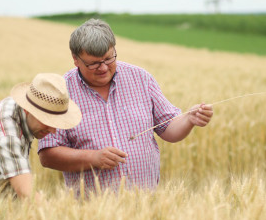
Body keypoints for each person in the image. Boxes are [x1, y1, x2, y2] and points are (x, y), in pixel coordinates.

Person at [38, 19, 213, 196]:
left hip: (146, 203)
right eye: (94, 63)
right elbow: (48, 155)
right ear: (76, 59)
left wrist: (189, 119)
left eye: (109, 58)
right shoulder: (60, 93)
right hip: (92, 212)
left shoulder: (141, 78)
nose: (103, 68)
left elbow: (168, 128)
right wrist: (94, 158)